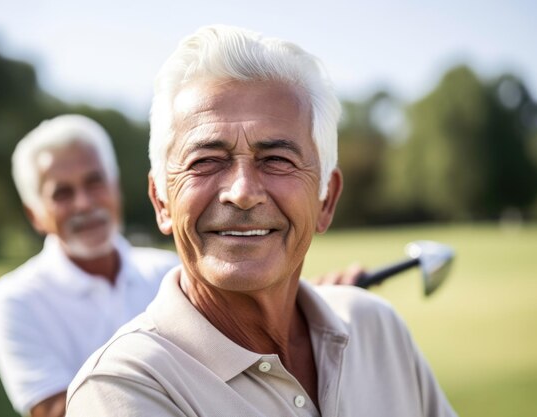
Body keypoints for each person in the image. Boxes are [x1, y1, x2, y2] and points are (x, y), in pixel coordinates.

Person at [66, 25, 457, 416]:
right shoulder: (120, 388)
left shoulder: (375, 327)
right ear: (162, 202)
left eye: (277, 160)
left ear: (326, 199)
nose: (242, 191)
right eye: (205, 161)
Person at [0, 114, 180, 417]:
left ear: (116, 188)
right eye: (62, 193)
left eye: (94, 182)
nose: (84, 203)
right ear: (35, 214)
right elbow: (56, 411)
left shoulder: (172, 271)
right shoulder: (15, 299)